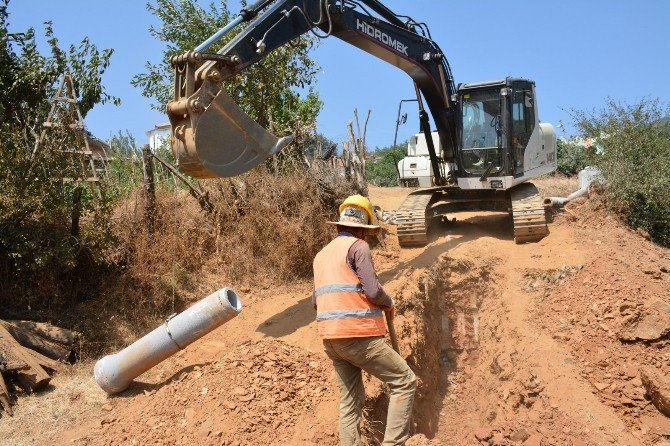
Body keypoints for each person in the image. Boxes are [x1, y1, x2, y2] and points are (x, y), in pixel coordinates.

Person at [312, 194, 417, 446]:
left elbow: (315, 302)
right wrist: (388, 301)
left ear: (339, 225)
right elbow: (372, 290)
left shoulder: (321, 255)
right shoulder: (358, 247)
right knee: (404, 381)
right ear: (362, 229)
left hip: (331, 341)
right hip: (358, 336)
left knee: (351, 400)